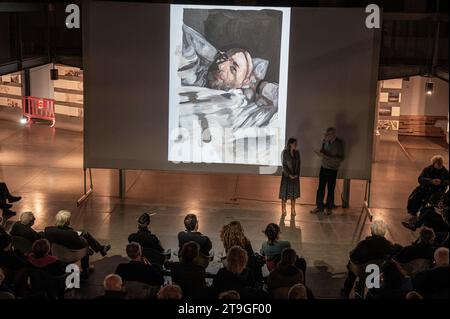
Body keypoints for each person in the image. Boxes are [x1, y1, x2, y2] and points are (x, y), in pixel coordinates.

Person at [44, 210, 111, 278]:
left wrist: (77, 234)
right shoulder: (72, 234)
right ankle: (85, 269)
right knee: (87, 247)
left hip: (56, 253)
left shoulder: (48, 230)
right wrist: (81, 238)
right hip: (69, 255)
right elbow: (83, 244)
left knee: (84, 232)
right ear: (67, 221)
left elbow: (64, 233)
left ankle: (101, 248)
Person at [342, 220, 398, 298]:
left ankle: (346, 291)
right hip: (380, 270)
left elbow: (353, 256)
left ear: (371, 231)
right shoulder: (388, 245)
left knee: (351, 265)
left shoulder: (364, 244)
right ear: (384, 232)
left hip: (363, 270)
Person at [311, 127, 344, 215]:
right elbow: (323, 151)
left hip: (332, 169)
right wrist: (321, 152)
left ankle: (329, 208)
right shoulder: (325, 141)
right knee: (320, 188)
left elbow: (340, 158)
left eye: (328, 134)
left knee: (330, 189)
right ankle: (319, 206)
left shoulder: (338, 144)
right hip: (323, 167)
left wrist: (327, 156)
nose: (326, 136)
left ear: (333, 134)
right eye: (326, 134)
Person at [405, 155, 449, 221]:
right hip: (425, 188)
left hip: (436, 191)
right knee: (414, 198)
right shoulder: (428, 169)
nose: (439, 166)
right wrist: (431, 181)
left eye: (440, 164)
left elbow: (448, 181)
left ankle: (423, 216)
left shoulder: (445, 172)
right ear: (434, 163)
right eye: (438, 164)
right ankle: (413, 213)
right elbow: (420, 179)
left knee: (430, 202)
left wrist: (441, 182)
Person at [279, 138, 301, 217]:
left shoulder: (297, 153)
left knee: (294, 194)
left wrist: (296, 175)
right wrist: (289, 175)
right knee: (284, 194)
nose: (296, 145)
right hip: (286, 177)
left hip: (295, 177)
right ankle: (283, 209)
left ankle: (293, 209)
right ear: (290, 144)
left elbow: (299, 165)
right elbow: (284, 165)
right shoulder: (284, 152)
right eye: (294, 143)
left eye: (296, 143)